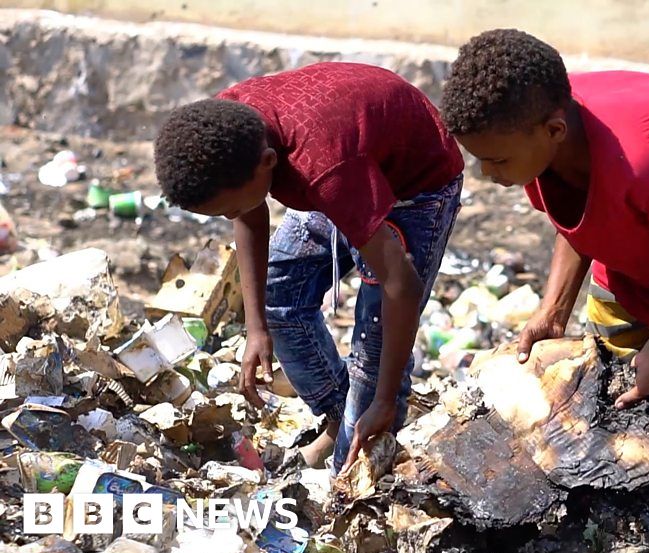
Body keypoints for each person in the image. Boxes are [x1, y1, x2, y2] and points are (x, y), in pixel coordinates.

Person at [440, 30, 649, 436]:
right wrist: (553, 310)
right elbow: (577, 215)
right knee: (607, 397)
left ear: (554, 132)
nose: (487, 174)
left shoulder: (643, 167)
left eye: (495, 160)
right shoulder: (537, 129)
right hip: (642, 236)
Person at [154, 62, 464, 471]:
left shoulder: (323, 170)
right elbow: (247, 212)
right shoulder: (231, 126)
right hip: (350, 164)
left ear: (268, 163)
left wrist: (385, 399)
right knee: (277, 299)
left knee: (374, 348)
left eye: (230, 206)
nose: (233, 214)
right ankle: (342, 419)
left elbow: (400, 287)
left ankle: (359, 464)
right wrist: (256, 328)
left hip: (414, 188)